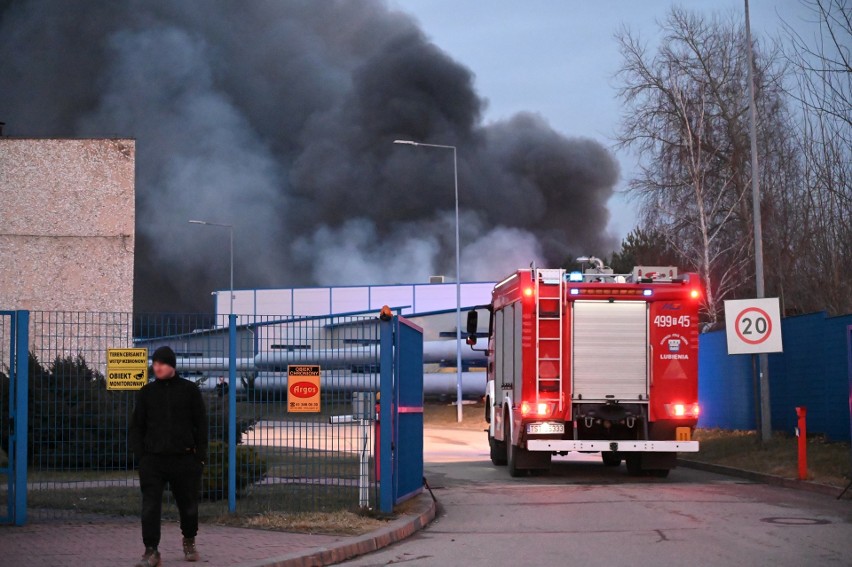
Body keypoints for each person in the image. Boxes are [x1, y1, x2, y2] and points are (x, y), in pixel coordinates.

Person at [129, 346, 208, 566]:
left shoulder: (189, 390)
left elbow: (201, 425)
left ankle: (189, 539)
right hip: (153, 461)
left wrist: (199, 457)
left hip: (184, 460)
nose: (157, 367)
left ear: (171, 365)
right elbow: (137, 427)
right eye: (154, 363)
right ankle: (151, 550)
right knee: (150, 506)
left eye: (161, 363)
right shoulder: (146, 393)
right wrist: (141, 457)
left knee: (188, 505)